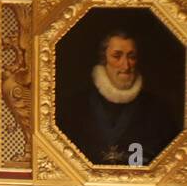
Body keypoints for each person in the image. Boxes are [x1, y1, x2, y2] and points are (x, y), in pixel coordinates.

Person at [60, 29, 179, 165]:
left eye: (131, 57)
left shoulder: (158, 108)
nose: (126, 65)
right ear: (103, 59)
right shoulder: (76, 105)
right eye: (117, 56)